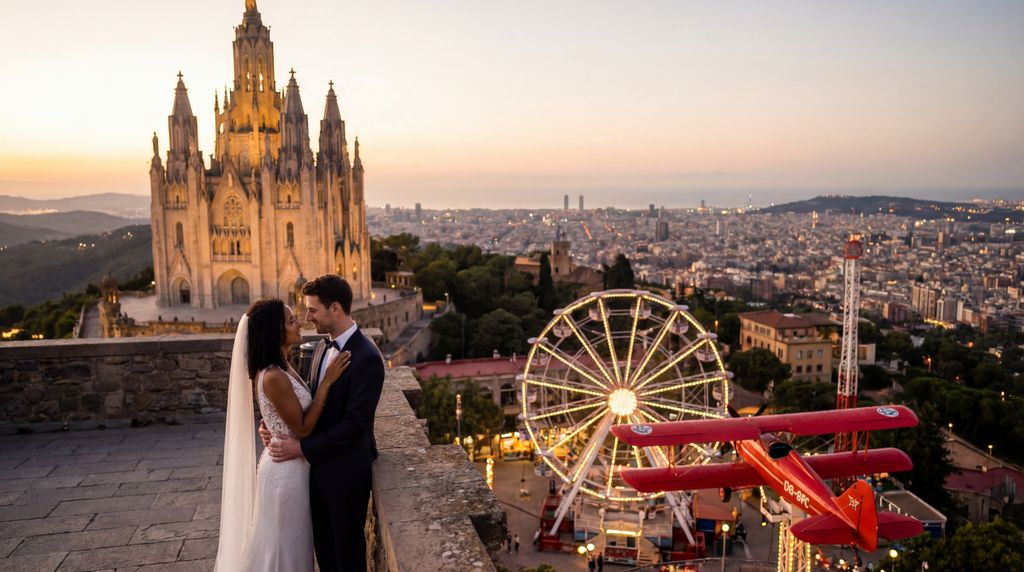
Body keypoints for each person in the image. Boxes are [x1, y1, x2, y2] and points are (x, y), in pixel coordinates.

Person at [214, 298, 351, 572]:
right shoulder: (273, 374)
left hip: (292, 466)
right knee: (282, 552)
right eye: (291, 321)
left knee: (291, 548)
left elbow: (279, 415)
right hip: (285, 475)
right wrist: (326, 383)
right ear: (274, 331)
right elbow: (301, 428)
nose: (298, 323)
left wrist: (270, 427)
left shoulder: (282, 366)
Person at [263, 275, 386, 572]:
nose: (307, 317)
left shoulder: (367, 357)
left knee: (347, 557)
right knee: (326, 554)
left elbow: (356, 426)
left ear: (335, 308)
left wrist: (302, 447)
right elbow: (307, 403)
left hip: (345, 474)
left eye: (313, 310)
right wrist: (275, 423)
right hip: (316, 472)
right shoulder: (320, 348)